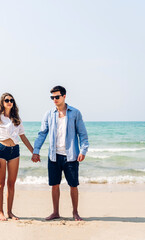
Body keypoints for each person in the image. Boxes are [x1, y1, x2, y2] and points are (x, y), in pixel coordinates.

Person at [31, 85, 89, 221]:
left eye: (57, 97)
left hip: (71, 156)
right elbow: (42, 134)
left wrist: (83, 150)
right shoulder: (49, 114)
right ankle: (55, 212)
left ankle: (75, 212)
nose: (54, 99)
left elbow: (83, 134)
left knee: (73, 185)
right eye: (52, 97)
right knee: (54, 185)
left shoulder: (75, 113)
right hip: (54, 156)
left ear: (64, 96)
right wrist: (36, 151)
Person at [0, 93, 34, 221]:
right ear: (2, 103)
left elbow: (23, 136)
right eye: (7, 100)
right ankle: (0, 212)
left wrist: (33, 152)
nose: (9, 102)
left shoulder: (16, 119)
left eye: (11, 100)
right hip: (1, 150)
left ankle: (10, 212)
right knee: (0, 183)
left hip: (14, 151)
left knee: (11, 183)